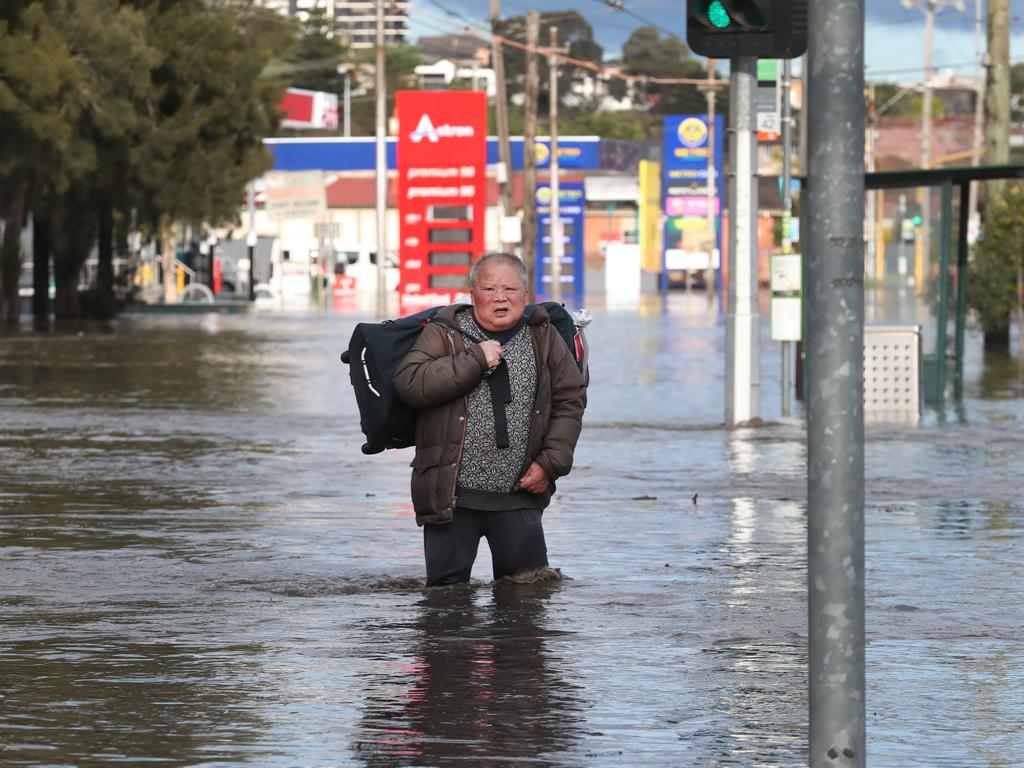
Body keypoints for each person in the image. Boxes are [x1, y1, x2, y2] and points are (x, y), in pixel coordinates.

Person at [393, 252, 587, 587]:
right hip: (451, 498)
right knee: (446, 609)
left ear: (525, 296)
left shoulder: (543, 336)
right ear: (472, 293)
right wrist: (474, 360)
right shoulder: (445, 333)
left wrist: (550, 464)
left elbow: (570, 401)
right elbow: (410, 383)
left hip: (520, 496)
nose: (500, 297)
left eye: (510, 289)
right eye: (490, 289)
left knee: (527, 605)